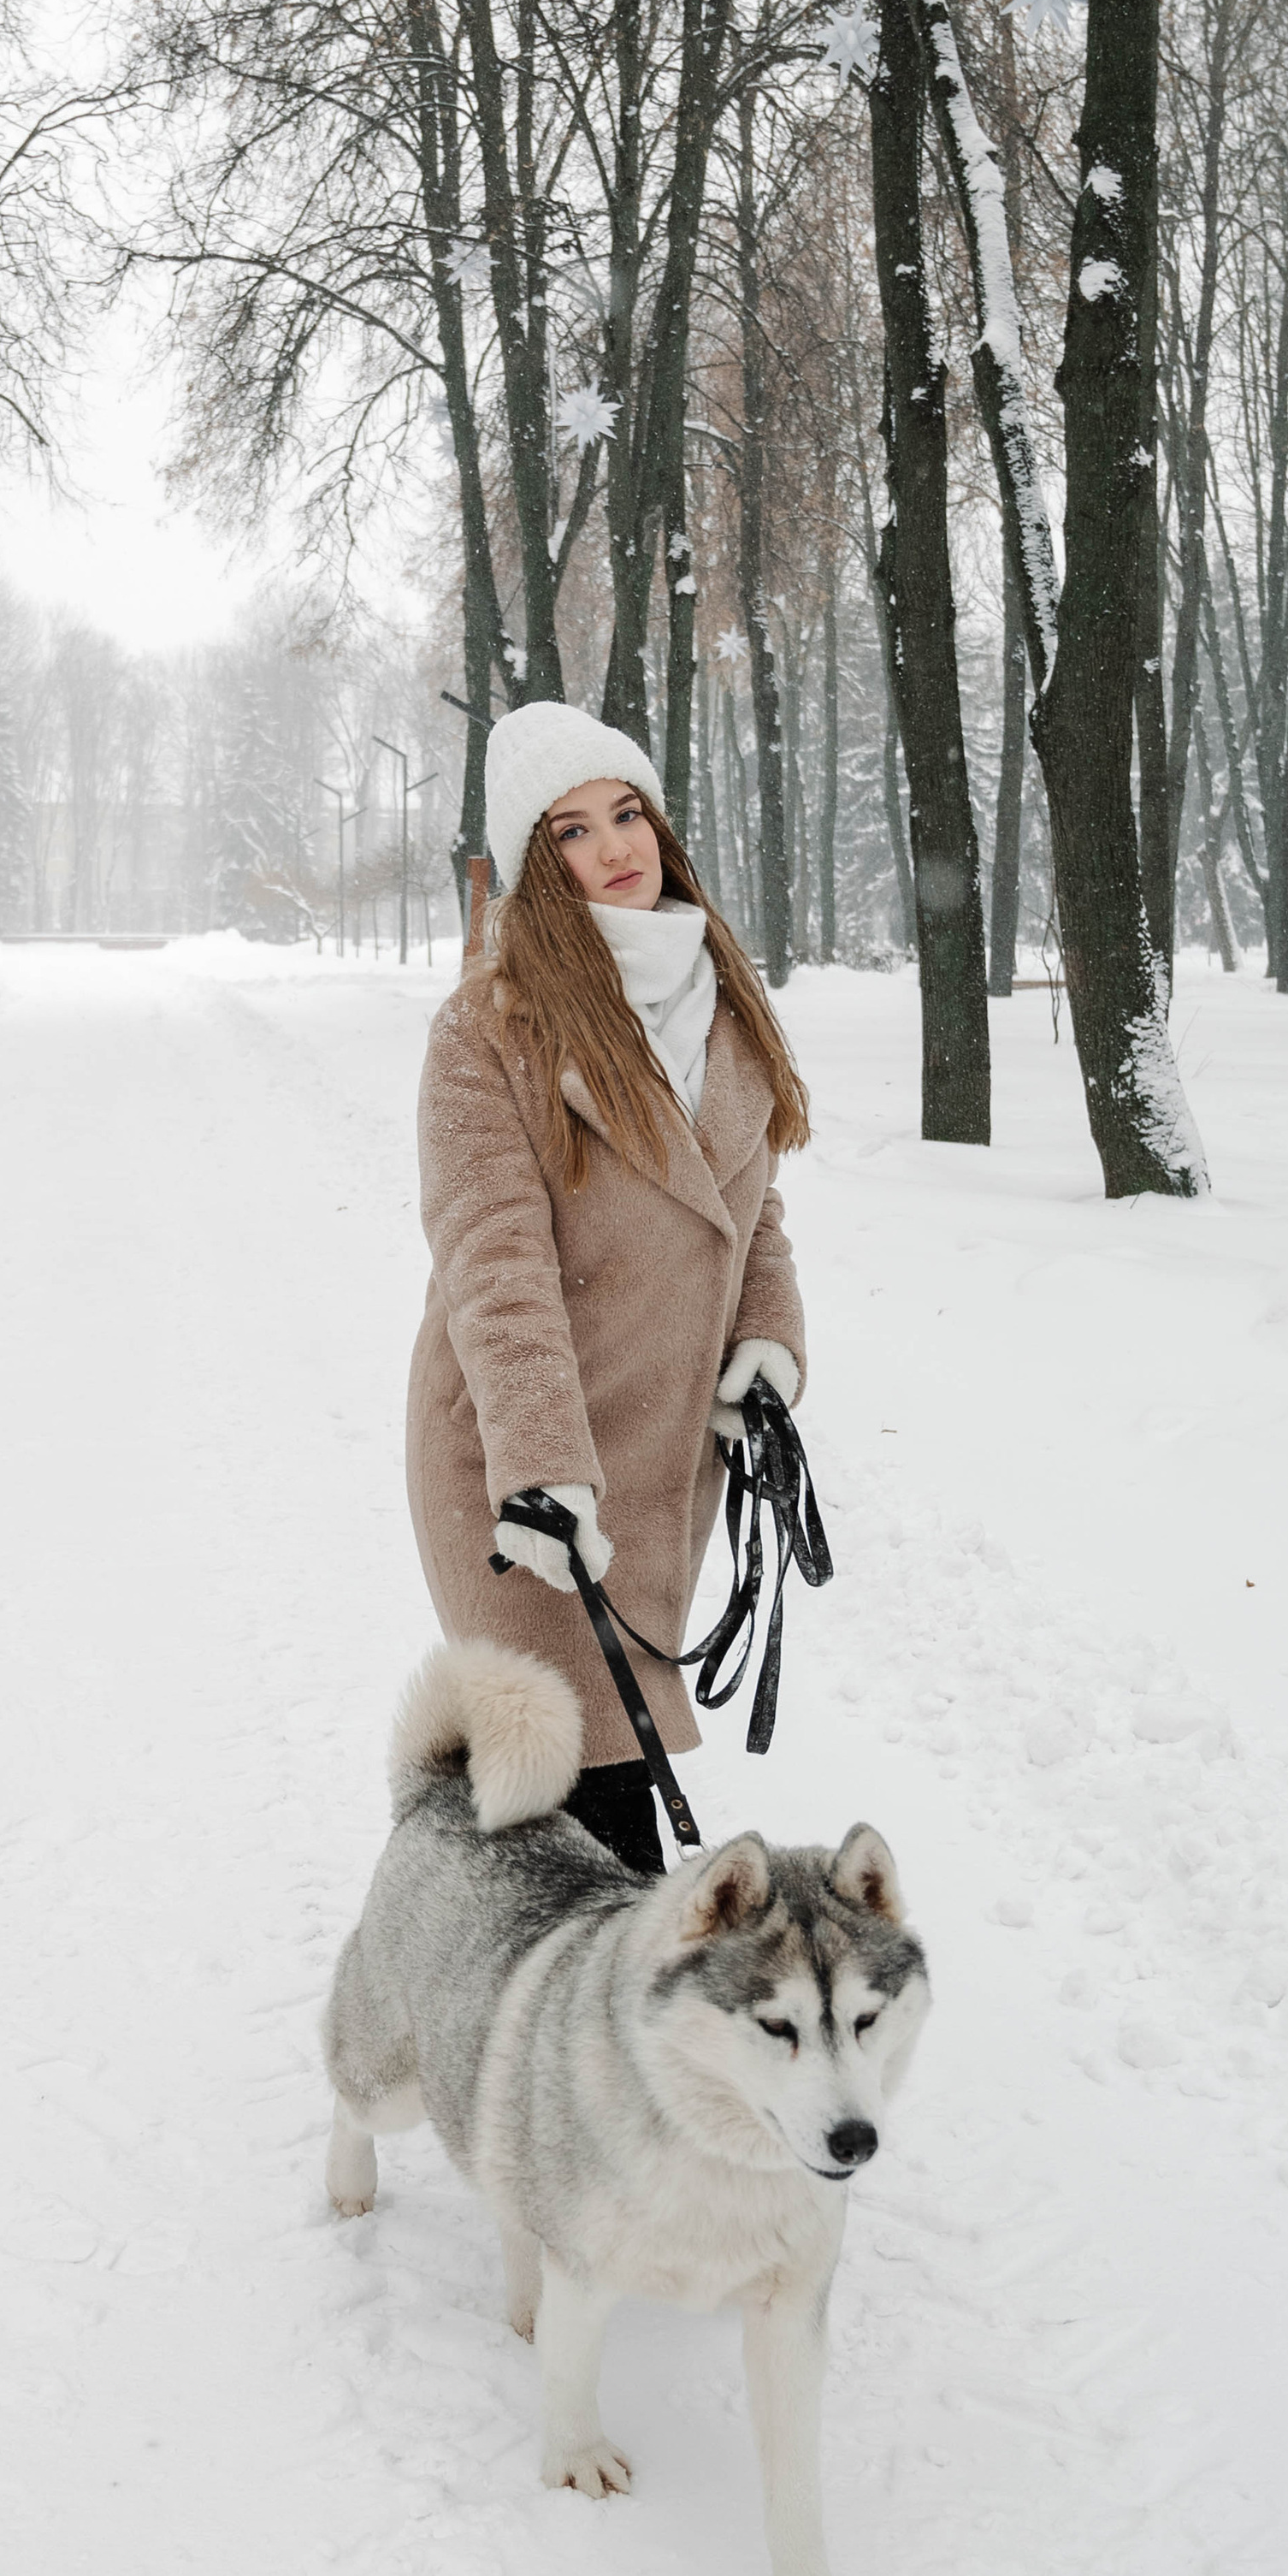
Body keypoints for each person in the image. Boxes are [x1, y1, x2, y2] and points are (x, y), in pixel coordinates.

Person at [406, 701, 811, 1879]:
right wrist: (538, 1468)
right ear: (538, 864)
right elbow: (494, 1261)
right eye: (574, 829)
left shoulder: (719, 999)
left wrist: (768, 1346)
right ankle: (519, 2036)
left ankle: (542, 2029)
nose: (616, 844)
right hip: (520, 1466)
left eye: (626, 811)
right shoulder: (490, 1028)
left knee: (581, 1815)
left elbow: (753, 1214)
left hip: (658, 1462)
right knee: (572, 1807)